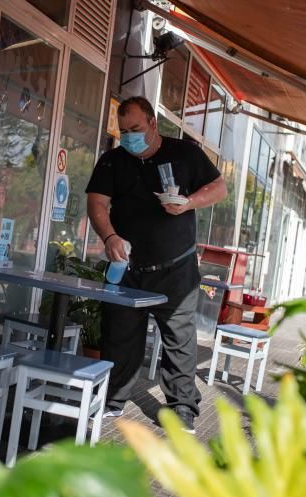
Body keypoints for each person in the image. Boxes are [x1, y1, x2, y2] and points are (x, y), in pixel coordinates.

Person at [85, 96, 227, 433]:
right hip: (127, 268)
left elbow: (220, 188)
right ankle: (112, 400)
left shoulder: (186, 154)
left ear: (152, 123)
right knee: (119, 336)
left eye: (135, 129)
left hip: (176, 270)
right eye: (123, 131)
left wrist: (189, 202)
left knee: (179, 341)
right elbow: (97, 203)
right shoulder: (112, 161)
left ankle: (183, 410)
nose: (129, 136)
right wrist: (109, 238)